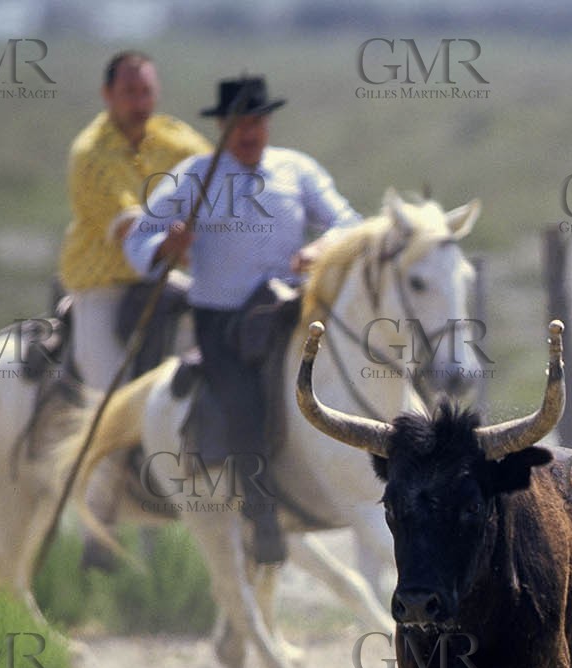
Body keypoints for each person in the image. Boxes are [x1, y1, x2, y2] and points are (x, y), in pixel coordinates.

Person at [123, 74, 361, 565]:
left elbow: (349, 222)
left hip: (289, 312)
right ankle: (263, 517)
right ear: (223, 128)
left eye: (257, 121)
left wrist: (320, 247)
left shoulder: (297, 170)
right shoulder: (194, 176)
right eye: (240, 124)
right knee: (244, 408)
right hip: (223, 322)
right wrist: (166, 245)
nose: (249, 132)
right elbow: (136, 243)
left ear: (267, 122)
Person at [60, 50, 210, 391]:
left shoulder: (175, 140)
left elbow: (218, 175)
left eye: (147, 92)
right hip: (103, 287)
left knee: (222, 312)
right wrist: (177, 247)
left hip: (161, 276)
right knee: (112, 390)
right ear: (107, 94)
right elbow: (132, 228)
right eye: (130, 93)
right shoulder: (90, 154)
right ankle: (110, 438)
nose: (140, 102)